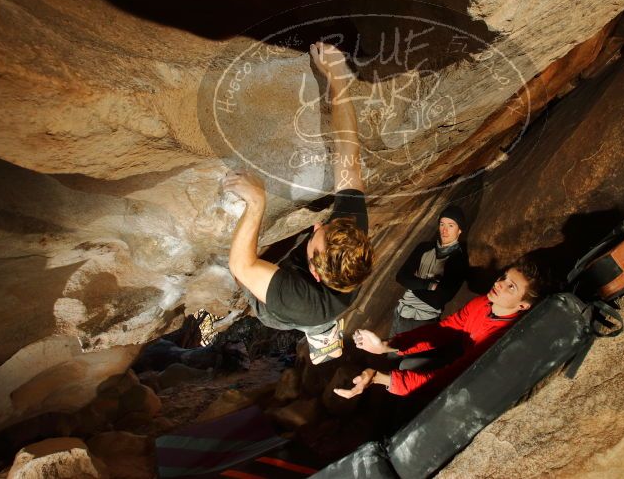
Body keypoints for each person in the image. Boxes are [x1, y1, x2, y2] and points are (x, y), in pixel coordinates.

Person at [222, 42, 373, 364]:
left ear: (316, 275)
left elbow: (241, 266)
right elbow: (349, 153)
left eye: (317, 233)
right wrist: (337, 76)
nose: (318, 223)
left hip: (285, 313)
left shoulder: (297, 301)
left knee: (245, 280)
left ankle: (321, 334)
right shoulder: (349, 235)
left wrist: (256, 202)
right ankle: (327, 333)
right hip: (323, 298)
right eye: (326, 225)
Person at [334, 259, 544, 399]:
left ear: (523, 306)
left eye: (511, 287)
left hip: (476, 386)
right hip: (462, 355)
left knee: (414, 386)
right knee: (407, 364)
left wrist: (379, 377)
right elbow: (444, 330)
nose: (500, 284)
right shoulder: (482, 304)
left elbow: (451, 377)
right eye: (503, 278)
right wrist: (387, 346)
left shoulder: (503, 338)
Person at [391, 205, 469, 335]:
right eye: (442, 224)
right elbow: (401, 277)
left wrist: (413, 284)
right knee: (391, 354)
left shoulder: (458, 260)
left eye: (451, 225)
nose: (444, 230)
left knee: (414, 355)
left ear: (459, 230)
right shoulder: (423, 248)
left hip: (424, 321)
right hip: (401, 313)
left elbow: (438, 300)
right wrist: (429, 285)